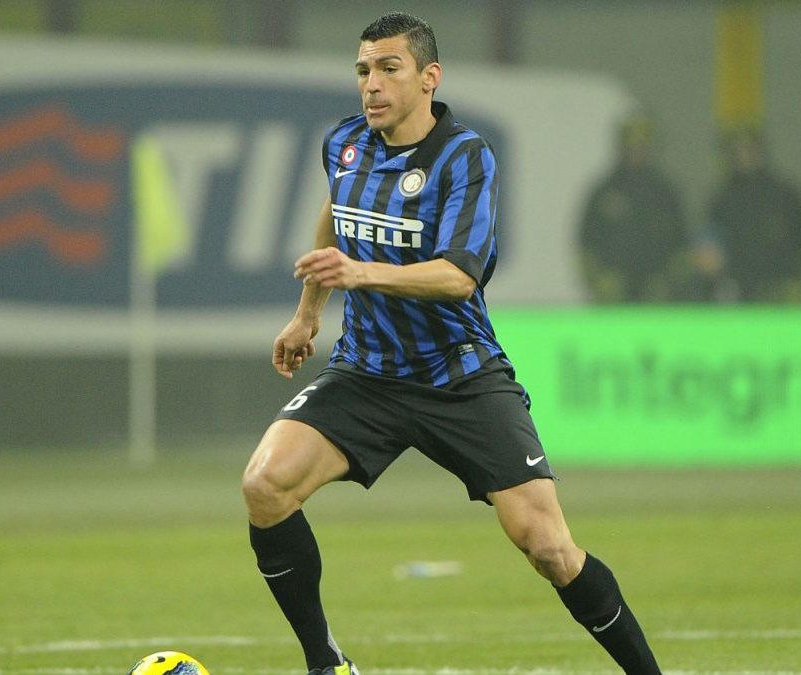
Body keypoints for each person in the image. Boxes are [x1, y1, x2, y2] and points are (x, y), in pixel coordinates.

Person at [240, 12, 662, 675]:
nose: (371, 84)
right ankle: (327, 664)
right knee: (265, 484)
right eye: (363, 70)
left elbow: (458, 277)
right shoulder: (344, 142)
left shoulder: (464, 157)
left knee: (547, 546)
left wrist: (360, 272)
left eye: (389, 69)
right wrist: (307, 315)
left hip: (459, 375)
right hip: (368, 373)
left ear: (429, 77)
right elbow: (335, 210)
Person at [577, 115, 691, 303]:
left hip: (656, 295)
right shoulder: (604, 192)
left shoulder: (666, 193)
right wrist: (599, 281)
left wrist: (668, 283)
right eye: (631, 144)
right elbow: (586, 245)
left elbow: (682, 246)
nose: (637, 149)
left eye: (642, 144)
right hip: (613, 295)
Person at [705, 126, 801, 302]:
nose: (745, 155)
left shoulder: (785, 195)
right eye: (739, 150)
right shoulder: (721, 201)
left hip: (783, 288)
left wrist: (799, 276)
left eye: (749, 148)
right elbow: (710, 249)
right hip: (740, 292)